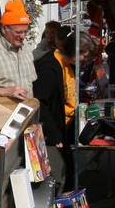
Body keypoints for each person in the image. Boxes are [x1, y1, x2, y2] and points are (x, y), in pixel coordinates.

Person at [33, 29, 97, 192]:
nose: (85, 60)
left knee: (68, 172)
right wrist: (53, 133)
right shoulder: (49, 67)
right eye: (84, 56)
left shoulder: (69, 65)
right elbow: (40, 102)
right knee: (58, 176)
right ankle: (58, 205)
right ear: (73, 51)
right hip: (53, 133)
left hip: (63, 129)